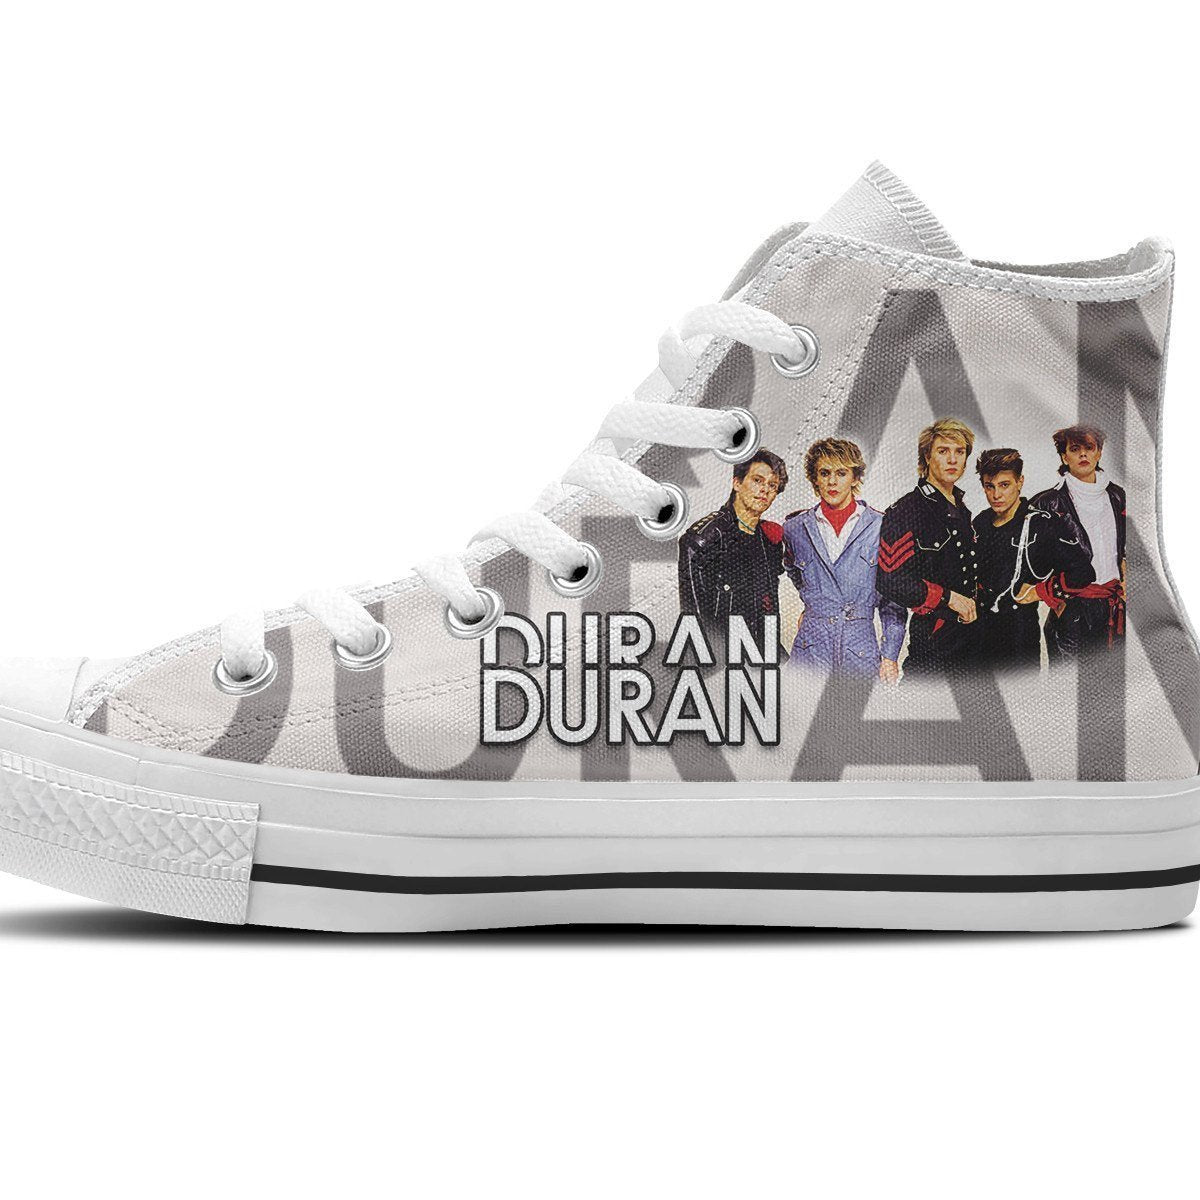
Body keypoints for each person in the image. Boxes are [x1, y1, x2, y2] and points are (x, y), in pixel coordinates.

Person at [782, 438, 905, 680]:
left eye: (841, 473)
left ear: (855, 477)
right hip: (810, 650)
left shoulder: (882, 527)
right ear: (815, 478)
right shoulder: (795, 528)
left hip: (860, 649)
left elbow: (893, 600)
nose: (832, 482)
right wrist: (815, 603)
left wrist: (890, 656)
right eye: (824, 473)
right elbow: (794, 571)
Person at [972, 447, 1096, 671]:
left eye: (1004, 485)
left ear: (1020, 482)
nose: (996, 495)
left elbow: (1083, 572)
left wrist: (1040, 591)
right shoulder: (980, 522)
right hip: (977, 635)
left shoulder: (1042, 523)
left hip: (1018, 639)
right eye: (989, 486)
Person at [876, 418, 979, 676]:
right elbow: (890, 580)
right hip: (933, 641)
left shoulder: (961, 508)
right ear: (927, 456)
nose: (952, 460)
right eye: (943, 451)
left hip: (971, 639)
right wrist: (948, 598)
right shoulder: (906, 510)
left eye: (960, 452)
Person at [1031, 424, 1126, 658]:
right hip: (1072, 610)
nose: (1083, 454)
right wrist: (1053, 596)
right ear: (1064, 457)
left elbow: (1123, 550)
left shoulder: (1117, 496)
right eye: (1074, 449)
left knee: (1109, 676)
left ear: (1099, 452)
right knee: (1069, 679)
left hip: (1111, 607)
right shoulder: (1047, 503)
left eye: (1089, 447)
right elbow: (1032, 563)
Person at [678, 449, 788, 645]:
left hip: (763, 652)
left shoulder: (769, 541)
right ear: (737, 483)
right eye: (757, 480)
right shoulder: (705, 539)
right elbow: (696, 623)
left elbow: (769, 609)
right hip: (721, 655)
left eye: (772, 485)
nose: (765, 489)